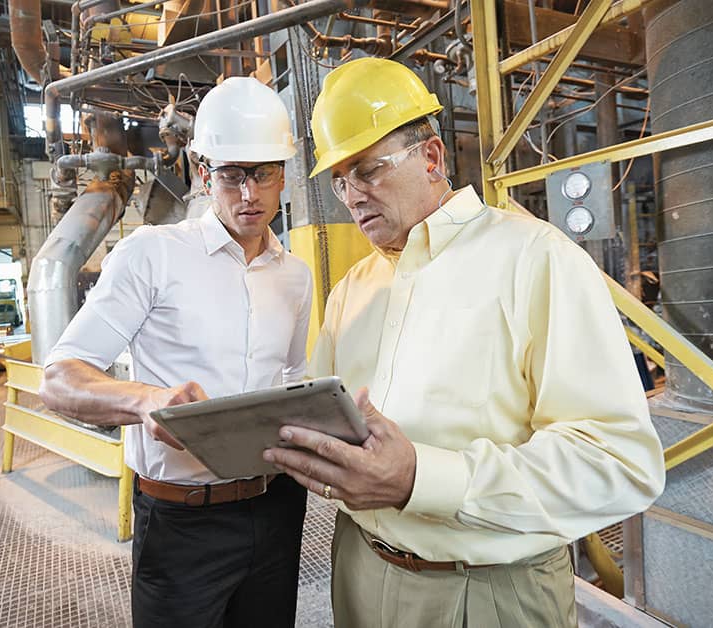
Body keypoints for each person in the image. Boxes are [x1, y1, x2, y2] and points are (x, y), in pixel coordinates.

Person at [263, 57, 666, 627]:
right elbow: (330, 418)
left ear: (431, 158)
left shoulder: (535, 261)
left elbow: (618, 463)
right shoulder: (353, 289)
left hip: (486, 591)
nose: (352, 195)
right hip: (358, 569)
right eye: (339, 179)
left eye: (369, 170)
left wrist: (418, 479)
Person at [39, 76, 314, 628]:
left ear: (283, 175)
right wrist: (147, 402)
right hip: (183, 521)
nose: (249, 195)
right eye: (232, 176)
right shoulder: (151, 256)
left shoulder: (295, 276)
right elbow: (60, 378)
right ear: (202, 171)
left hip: (277, 508)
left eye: (263, 174)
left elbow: (294, 380)